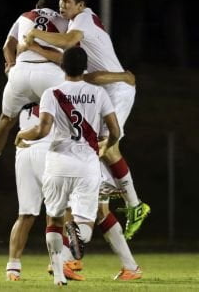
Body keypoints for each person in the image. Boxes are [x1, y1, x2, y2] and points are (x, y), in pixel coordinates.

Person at [25, 0, 150, 240]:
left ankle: (130, 202)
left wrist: (35, 34)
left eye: (66, 1)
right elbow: (65, 55)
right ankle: (118, 195)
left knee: (106, 144)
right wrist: (36, 48)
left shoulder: (82, 19)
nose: (61, 5)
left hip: (117, 90)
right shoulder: (76, 23)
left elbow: (69, 42)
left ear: (80, 5)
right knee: (102, 144)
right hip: (111, 87)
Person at [15, 47, 120, 285]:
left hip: (58, 163)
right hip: (86, 165)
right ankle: (77, 233)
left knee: (54, 220)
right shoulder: (98, 93)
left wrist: (23, 134)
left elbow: (41, 129)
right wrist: (107, 145)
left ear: (62, 66)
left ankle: (59, 276)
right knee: (86, 224)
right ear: (85, 68)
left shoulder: (52, 93)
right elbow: (115, 131)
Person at [0, 0, 68, 188]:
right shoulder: (65, 20)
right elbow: (67, 56)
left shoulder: (25, 15)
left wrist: (11, 65)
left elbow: (7, 45)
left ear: (37, 6)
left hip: (20, 72)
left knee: (5, 120)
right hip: (50, 74)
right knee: (70, 119)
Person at [5, 103, 84, 282]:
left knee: (25, 214)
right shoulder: (54, 90)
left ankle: (13, 268)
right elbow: (43, 127)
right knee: (63, 210)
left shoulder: (21, 90)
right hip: (46, 149)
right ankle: (62, 262)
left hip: (24, 152)